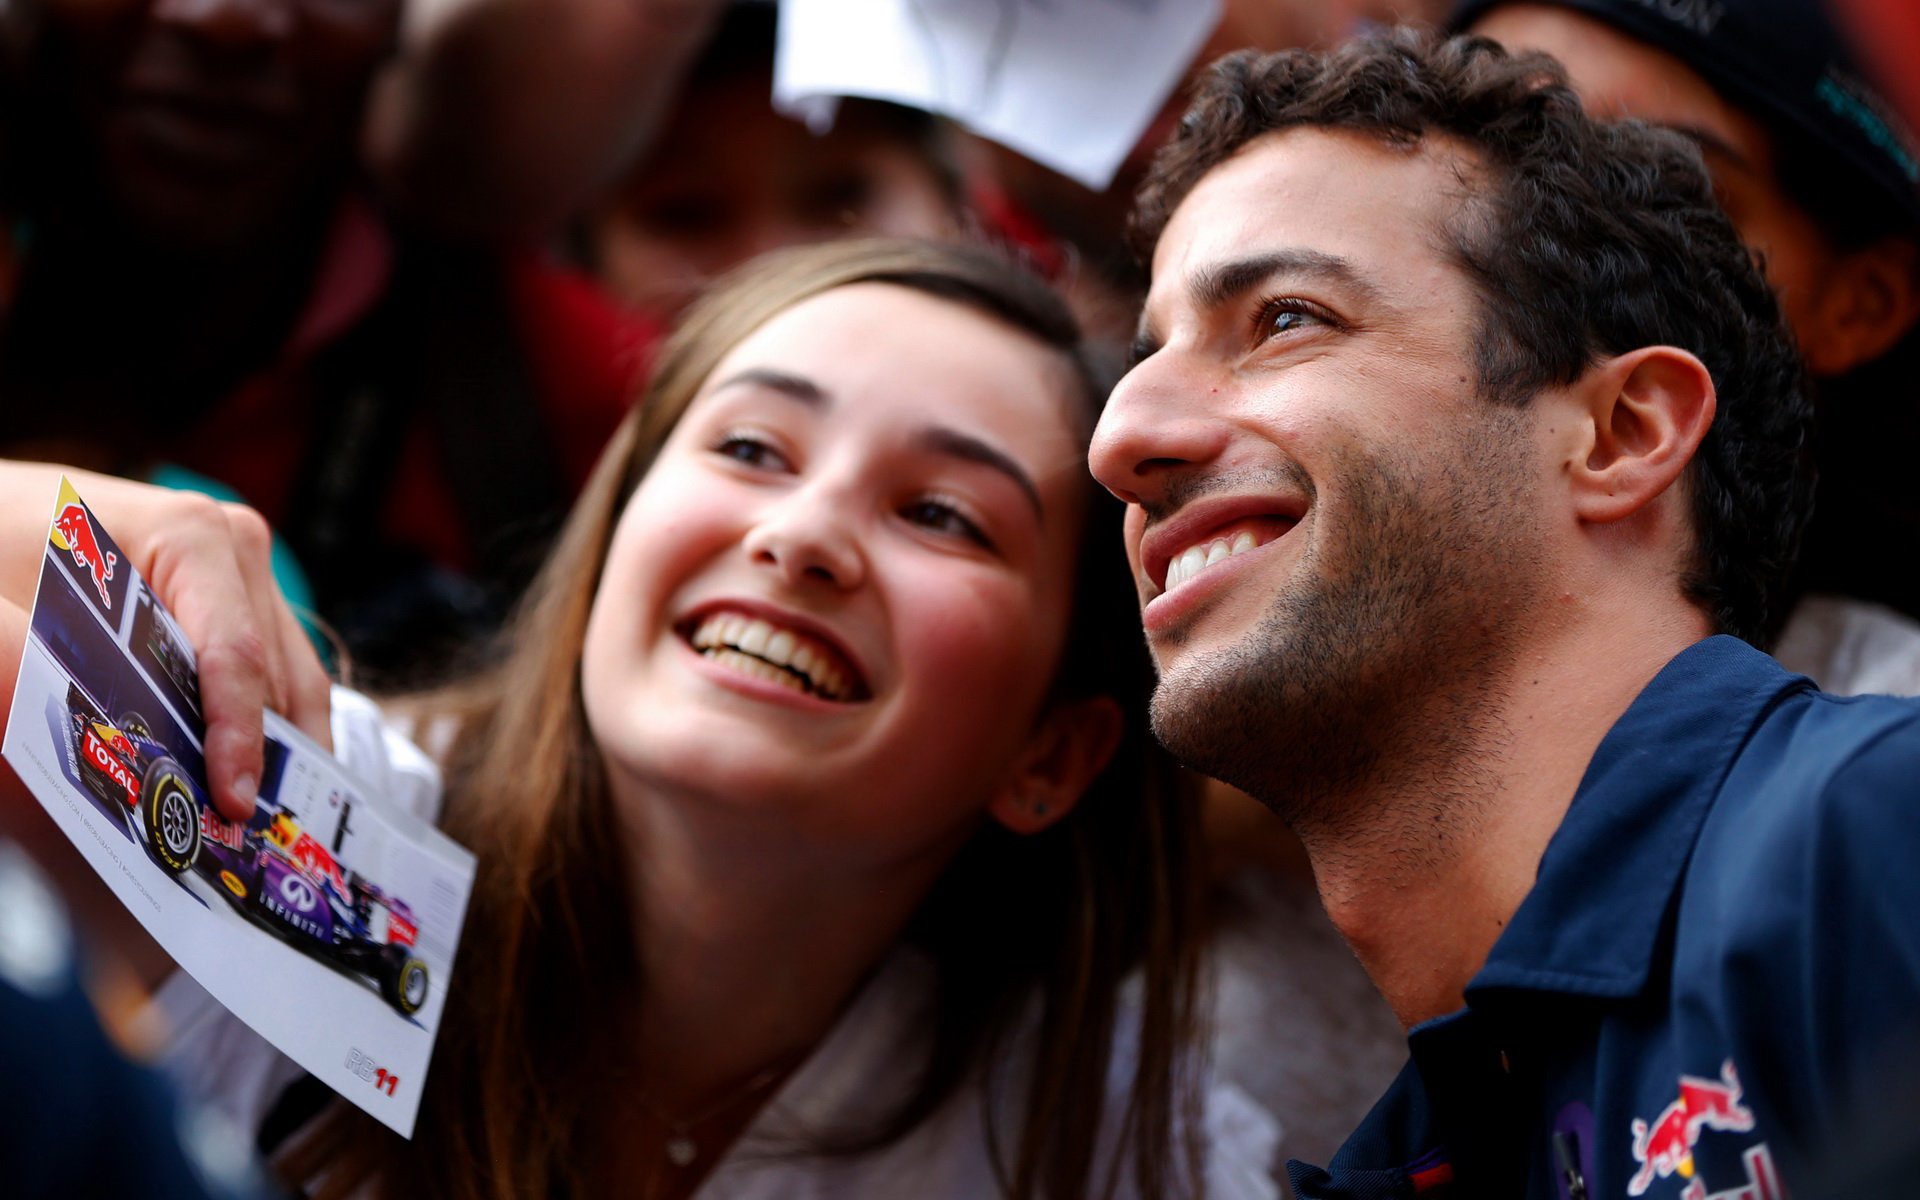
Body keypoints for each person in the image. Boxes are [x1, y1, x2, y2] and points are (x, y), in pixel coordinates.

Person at [103, 239, 1275, 1200]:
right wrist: (102, 528)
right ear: (613, 528)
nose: (803, 536)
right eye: (751, 447)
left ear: (1051, 755)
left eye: (940, 514)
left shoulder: (1125, 1157)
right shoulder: (278, 802)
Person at [1091, 27, 1920, 1200]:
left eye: (1285, 317)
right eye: (1146, 350)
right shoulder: (1406, 1162)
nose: (1120, 439)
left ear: (1621, 432)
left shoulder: (1877, 834)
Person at [1455, 0, 1920, 694]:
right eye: (1476, 149)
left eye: (1653, 182)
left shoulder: (1882, 737)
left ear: (1860, 305)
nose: (1524, 242)